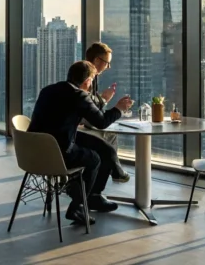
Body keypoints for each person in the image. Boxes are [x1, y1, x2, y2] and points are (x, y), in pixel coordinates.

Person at [28, 61, 133, 225]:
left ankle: (95, 186)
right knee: (94, 159)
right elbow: (102, 122)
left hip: (33, 149)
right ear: (87, 81)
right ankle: (78, 204)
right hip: (57, 153)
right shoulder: (79, 95)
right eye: (91, 80)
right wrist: (119, 108)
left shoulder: (48, 90)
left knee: (102, 146)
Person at [80, 42, 130, 183]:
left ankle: (115, 170)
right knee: (106, 140)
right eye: (107, 63)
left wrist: (103, 99)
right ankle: (112, 173)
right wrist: (116, 106)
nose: (108, 67)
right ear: (96, 60)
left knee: (110, 136)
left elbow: (89, 105)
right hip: (73, 132)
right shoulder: (86, 79)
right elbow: (95, 117)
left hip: (51, 138)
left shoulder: (82, 75)